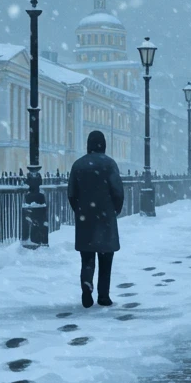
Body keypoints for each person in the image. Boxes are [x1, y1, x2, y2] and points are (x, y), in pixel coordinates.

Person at [67, 129, 124, 307]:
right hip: (106, 218)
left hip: (86, 220)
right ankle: (104, 295)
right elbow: (118, 192)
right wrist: (114, 209)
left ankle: (86, 288)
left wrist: (80, 210)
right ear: (103, 144)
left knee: (87, 259)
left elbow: (71, 194)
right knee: (106, 260)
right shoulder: (110, 164)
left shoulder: (78, 165)